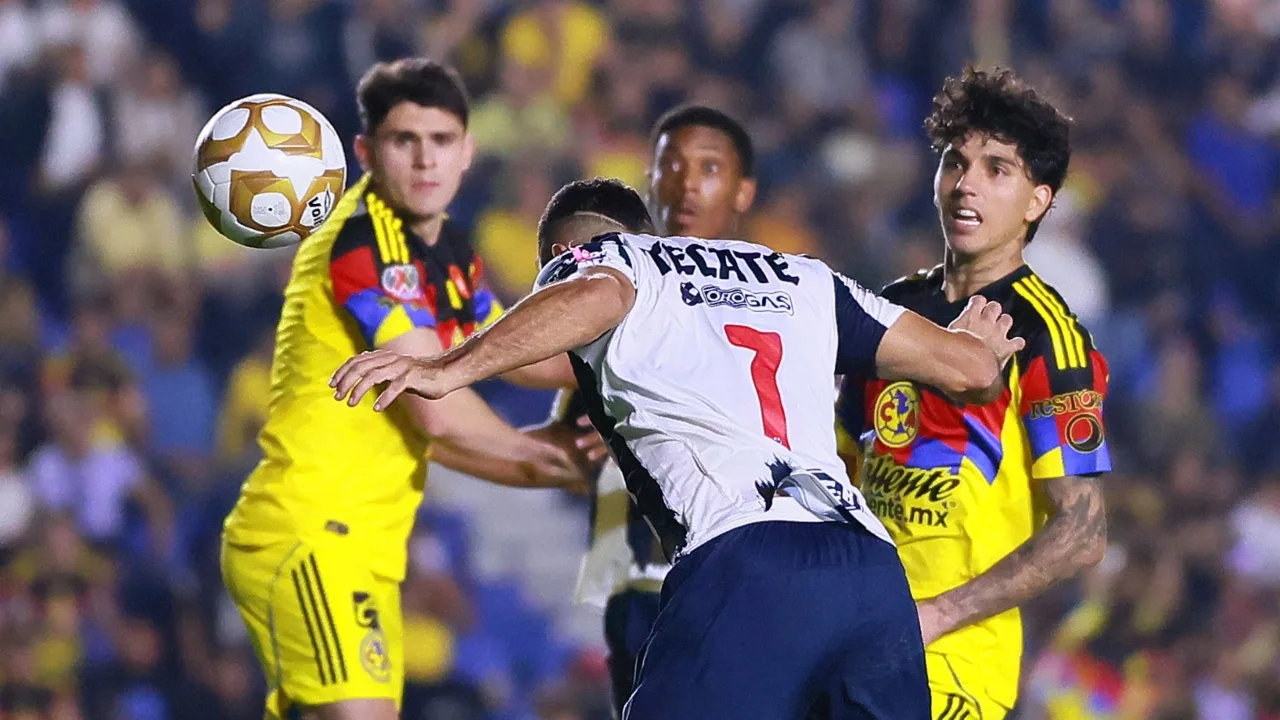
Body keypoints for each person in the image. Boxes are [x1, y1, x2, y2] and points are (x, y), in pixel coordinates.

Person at [331, 177, 1026, 719]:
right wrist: (981, 348)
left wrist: (444, 368)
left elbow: (593, 297)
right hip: (871, 580)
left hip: (750, 561)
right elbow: (968, 371)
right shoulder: (806, 277)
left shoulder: (608, 262)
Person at [219, 58, 594, 720]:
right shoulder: (363, 244)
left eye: (441, 140)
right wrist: (554, 460)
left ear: (467, 152)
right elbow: (438, 411)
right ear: (366, 152)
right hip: (313, 530)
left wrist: (634, 351)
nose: (425, 161)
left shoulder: (447, 248)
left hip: (367, 550)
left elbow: (517, 354)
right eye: (404, 141)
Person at [835, 67, 1111, 720]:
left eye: (997, 169)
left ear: (1038, 201)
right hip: (847, 642)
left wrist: (939, 613)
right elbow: (842, 464)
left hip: (952, 671)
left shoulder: (1049, 333)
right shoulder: (893, 311)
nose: (966, 184)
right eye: (956, 163)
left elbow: (1083, 531)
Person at [555, 104, 759, 716]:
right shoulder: (610, 293)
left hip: (739, 576)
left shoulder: (779, 298)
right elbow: (572, 444)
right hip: (635, 578)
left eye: (709, 168)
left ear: (744, 191)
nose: (687, 184)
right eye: (670, 165)